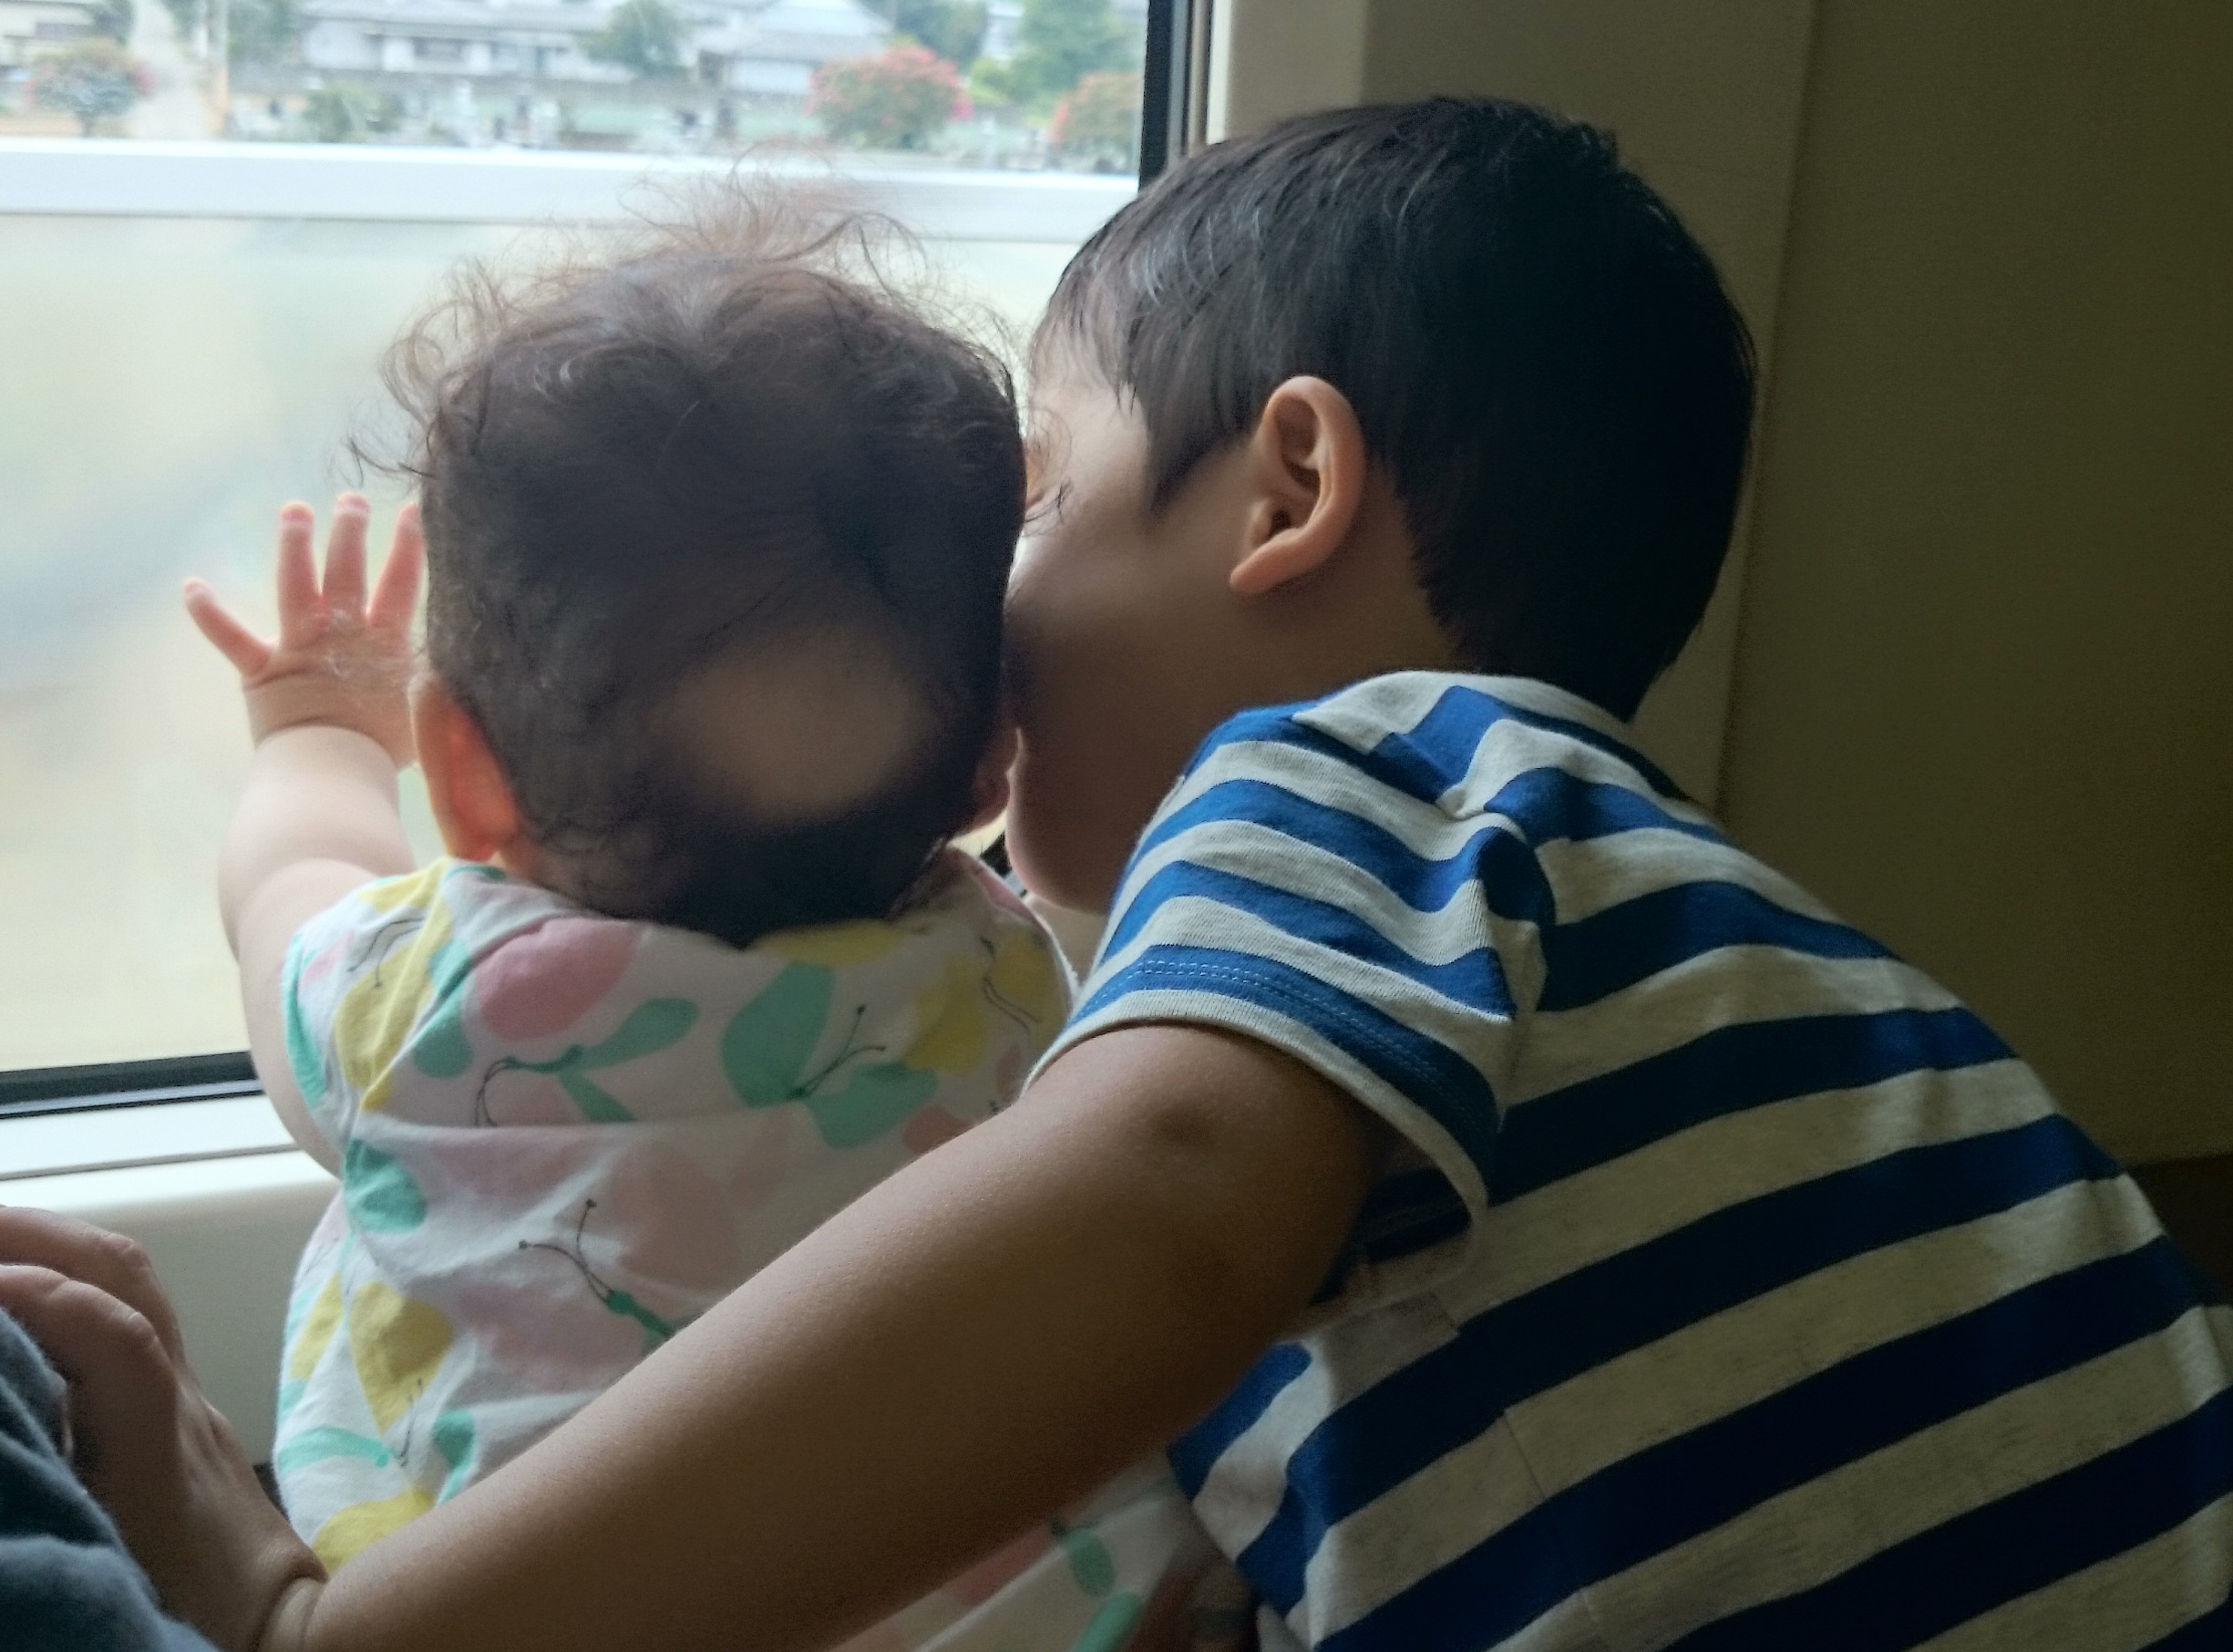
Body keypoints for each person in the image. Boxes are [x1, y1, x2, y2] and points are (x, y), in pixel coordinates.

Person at [3, 96, 2229, 1652]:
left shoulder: (1373, 777)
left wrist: (328, 1621)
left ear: (1286, 492)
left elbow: (1154, 1219)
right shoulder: (1549, 921)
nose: (985, 620)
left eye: (1042, 499)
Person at [159, 196, 1224, 1648]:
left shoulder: (419, 1001)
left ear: (462, 773)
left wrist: (314, 727)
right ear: (989, 762)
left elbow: (289, 877)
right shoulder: (1008, 971)